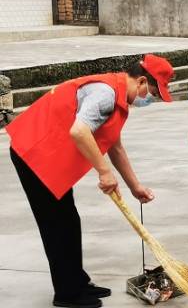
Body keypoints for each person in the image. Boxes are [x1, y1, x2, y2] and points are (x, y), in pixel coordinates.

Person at [7, 54, 175, 308]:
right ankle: (67, 294)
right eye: (153, 91)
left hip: (47, 155)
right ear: (141, 81)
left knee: (68, 220)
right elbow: (79, 130)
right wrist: (104, 172)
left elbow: (115, 146)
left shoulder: (118, 96)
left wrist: (134, 186)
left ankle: (77, 282)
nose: (151, 98)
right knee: (57, 225)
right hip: (32, 153)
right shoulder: (106, 93)